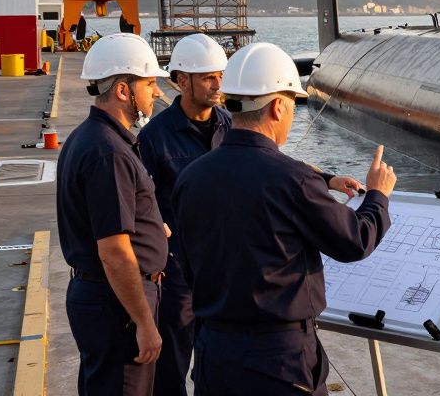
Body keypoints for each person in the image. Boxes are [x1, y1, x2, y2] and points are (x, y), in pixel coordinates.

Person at [139, 34, 367, 396]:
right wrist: (379, 197)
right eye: (208, 77)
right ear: (181, 80)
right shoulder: (154, 138)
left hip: (219, 314)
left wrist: (326, 178)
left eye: (220, 76)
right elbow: (353, 239)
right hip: (192, 280)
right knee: (172, 368)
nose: (216, 85)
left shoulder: (227, 129)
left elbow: (273, 169)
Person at [56, 32, 169, 395]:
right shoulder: (111, 154)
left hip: (102, 298)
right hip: (117, 305)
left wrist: (151, 228)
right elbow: (115, 252)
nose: (156, 92)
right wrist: (143, 322)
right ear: (123, 90)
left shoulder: (87, 137)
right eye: (149, 83)